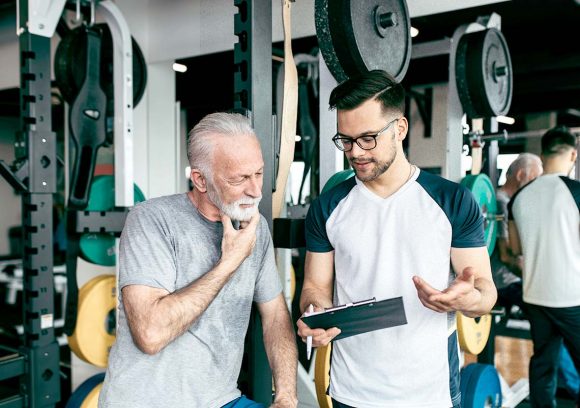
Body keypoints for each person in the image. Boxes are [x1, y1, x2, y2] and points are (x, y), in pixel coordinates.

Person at [296, 70, 497, 407]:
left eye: (368, 138)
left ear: (400, 128)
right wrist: (314, 314)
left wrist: (466, 300)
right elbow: (315, 286)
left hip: (429, 393)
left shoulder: (453, 202)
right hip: (351, 392)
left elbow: (486, 293)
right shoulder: (328, 208)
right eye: (345, 140)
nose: (355, 151)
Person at [99, 112, 298, 408]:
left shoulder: (256, 229)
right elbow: (150, 334)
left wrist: (285, 395)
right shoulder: (152, 220)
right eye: (239, 178)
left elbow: (275, 315)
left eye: (258, 173)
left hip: (222, 400)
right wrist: (229, 262)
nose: (255, 191)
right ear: (200, 180)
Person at [508, 126, 580, 407]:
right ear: (573, 154)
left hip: (535, 295)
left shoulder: (519, 198)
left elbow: (515, 250)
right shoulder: (576, 192)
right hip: (571, 297)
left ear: (543, 153)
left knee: (543, 365)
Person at [491, 153, 542, 313]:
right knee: (545, 309)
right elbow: (506, 256)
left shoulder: (512, 204)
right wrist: (533, 277)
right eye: (535, 178)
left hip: (514, 277)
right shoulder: (501, 203)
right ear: (520, 175)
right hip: (504, 280)